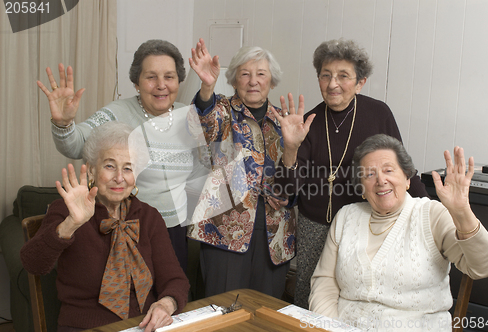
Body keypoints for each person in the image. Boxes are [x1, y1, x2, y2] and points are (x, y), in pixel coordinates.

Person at [272, 38, 429, 308]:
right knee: (312, 300)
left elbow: (402, 169)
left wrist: (428, 215)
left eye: (343, 76)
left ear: (360, 82)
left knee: (357, 300)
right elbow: (287, 189)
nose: (333, 84)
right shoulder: (308, 121)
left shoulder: (378, 114)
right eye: (326, 75)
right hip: (316, 228)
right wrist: (290, 147)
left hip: (366, 227)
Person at [37, 39, 208, 272]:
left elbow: (202, 166)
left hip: (175, 230)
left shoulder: (188, 115)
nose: (161, 85)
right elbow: (76, 146)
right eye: (151, 77)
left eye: (169, 76)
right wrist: (64, 123)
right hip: (130, 225)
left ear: (178, 81)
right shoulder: (117, 112)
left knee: (172, 296)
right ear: (136, 83)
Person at [309, 134, 488, 331]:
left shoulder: (431, 215)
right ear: (362, 189)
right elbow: (325, 283)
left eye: (388, 170)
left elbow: (486, 267)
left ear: (407, 178)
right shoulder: (346, 217)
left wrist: (462, 213)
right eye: (369, 174)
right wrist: (328, 328)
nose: (381, 180)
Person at [20, 122, 190, 332]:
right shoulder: (66, 211)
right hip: (85, 327)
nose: (119, 177)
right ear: (91, 170)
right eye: (110, 166)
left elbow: (175, 279)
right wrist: (70, 225)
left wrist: (166, 304)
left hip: (145, 326)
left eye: (128, 168)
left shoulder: (149, 216)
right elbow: (32, 263)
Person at [185, 38, 296, 298]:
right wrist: (206, 88)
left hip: (275, 235)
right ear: (234, 80)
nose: (253, 81)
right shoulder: (222, 110)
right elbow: (204, 123)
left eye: (261, 74)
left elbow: (297, 175)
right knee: (223, 310)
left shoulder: (285, 121)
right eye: (245, 74)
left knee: (265, 312)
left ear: (272, 81)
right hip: (224, 233)